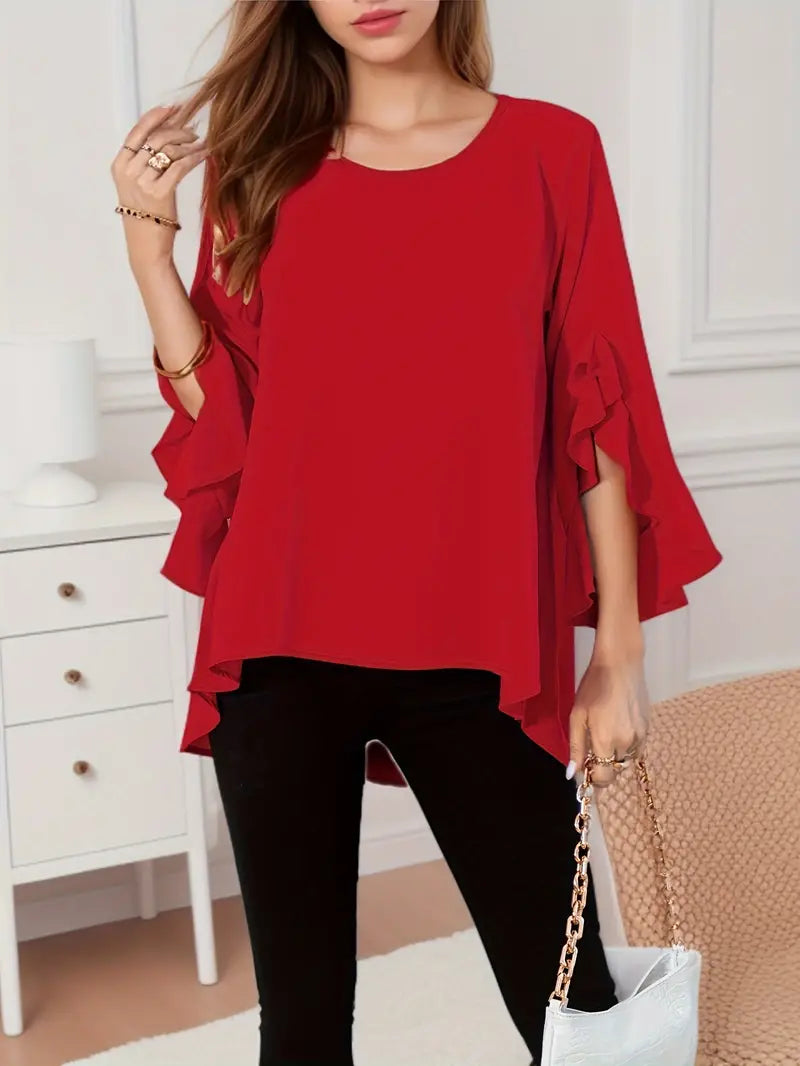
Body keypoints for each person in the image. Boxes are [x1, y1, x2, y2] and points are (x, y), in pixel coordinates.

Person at [110, 2, 722, 1063]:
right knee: (303, 1031)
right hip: (280, 637)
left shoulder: (552, 150)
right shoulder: (262, 165)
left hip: (480, 642)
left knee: (576, 1011)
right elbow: (235, 421)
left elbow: (598, 402)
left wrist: (617, 650)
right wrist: (148, 249)